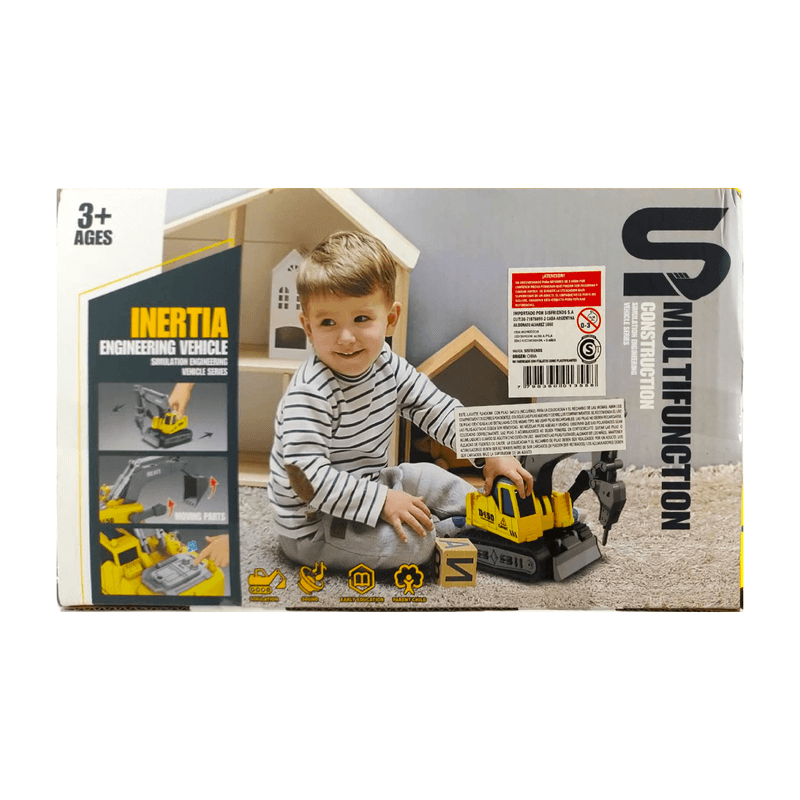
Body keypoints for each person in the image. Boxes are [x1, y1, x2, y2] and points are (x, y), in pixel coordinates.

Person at [268, 231, 532, 571]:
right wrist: (382, 501)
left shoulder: (388, 366)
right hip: (316, 524)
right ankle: (446, 532)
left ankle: (493, 514)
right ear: (308, 328)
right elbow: (308, 480)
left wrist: (490, 448)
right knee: (414, 543)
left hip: (370, 484)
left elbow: (436, 408)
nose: (345, 337)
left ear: (390, 319)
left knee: (428, 475)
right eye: (328, 322)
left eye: (361, 319)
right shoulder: (310, 393)